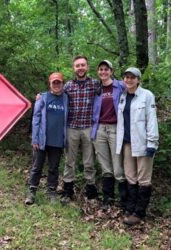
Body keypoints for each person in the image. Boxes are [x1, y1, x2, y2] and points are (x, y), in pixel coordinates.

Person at [116, 67, 159, 225]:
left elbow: (151, 120)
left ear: (138, 80)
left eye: (132, 77)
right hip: (127, 143)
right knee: (130, 177)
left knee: (143, 179)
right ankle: (130, 207)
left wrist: (152, 142)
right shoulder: (122, 96)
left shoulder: (147, 96)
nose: (129, 80)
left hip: (143, 142)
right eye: (126, 77)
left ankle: (139, 212)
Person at [61, 55, 101, 204]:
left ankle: (91, 190)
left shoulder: (95, 84)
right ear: (74, 68)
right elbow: (56, 95)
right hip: (71, 128)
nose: (80, 68)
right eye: (77, 65)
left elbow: (111, 91)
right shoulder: (68, 86)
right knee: (69, 161)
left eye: (83, 65)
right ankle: (68, 190)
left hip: (88, 128)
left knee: (89, 161)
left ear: (87, 67)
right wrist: (41, 97)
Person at [25, 72, 68, 205]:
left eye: (58, 82)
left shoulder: (66, 98)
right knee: (37, 166)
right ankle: (32, 191)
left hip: (58, 140)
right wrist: (35, 138)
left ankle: (51, 191)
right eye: (54, 82)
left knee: (53, 168)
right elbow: (36, 118)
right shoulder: (43, 97)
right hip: (42, 140)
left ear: (62, 84)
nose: (56, 85)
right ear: (50, 84)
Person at [90, 60, 128, 211]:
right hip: (99, 129)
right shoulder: (96, 88)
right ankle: (108, 198)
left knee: (118, 167)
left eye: (106, 69)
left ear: (111, 71)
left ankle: (125, 201)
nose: (103, 72)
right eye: (101, 69)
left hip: (115, 129)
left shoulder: (120, 86)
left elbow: (135, 92)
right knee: (105, 167)